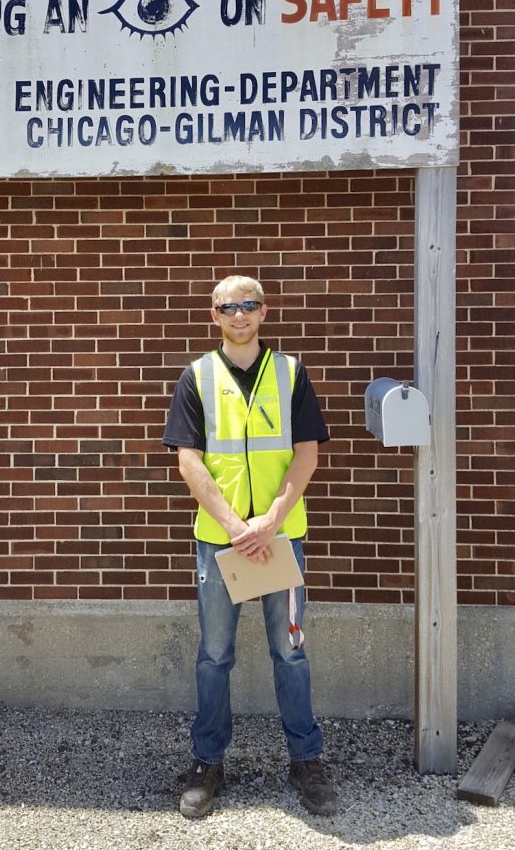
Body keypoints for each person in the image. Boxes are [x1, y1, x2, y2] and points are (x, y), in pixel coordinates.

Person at [162, 274, 337, 819]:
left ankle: (305, 759)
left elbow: (305, 453)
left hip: (281, 539)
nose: (239, 314)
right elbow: (188, 460)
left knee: (291, 652)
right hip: (221, 543)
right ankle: (208, 761)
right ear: (213, 316)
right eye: (227, 307)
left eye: (249, 305)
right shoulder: (196, 376)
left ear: (264, 312)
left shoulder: (291, 373)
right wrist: (238, 527)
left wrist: (270, 521)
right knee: (215, 655)